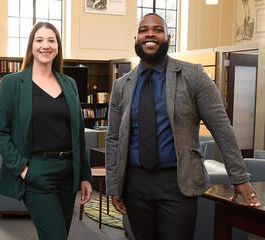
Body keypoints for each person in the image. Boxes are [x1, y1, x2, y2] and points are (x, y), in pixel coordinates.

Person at [105, 13, 260, 240]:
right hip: (135, 184)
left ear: (168, 37)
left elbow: (222, 128)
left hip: (178, 183)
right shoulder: (122, 85)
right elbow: (113, 139)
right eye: (143, 30)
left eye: (157, 29)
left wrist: (239, 178)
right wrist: (113, 186)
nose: (149, 34)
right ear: (136, 38)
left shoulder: (193, 75)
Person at [0, 22, 92, 240]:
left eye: (51, 40)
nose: (45, 45)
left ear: (57, 47)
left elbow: (78, 134)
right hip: (37, 172)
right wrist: (25, 170)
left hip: (68, 173)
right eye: (39, 40)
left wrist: (85, 175)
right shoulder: (12, 83)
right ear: (31, 47)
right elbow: (0, 132)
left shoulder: (70, 84)